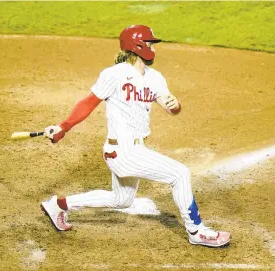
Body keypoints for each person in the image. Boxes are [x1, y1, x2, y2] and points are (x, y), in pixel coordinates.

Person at [41, 25, 231, 247]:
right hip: (122, 151)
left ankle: (58, 205)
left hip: (134, 150)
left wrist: (175, 105)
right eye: (150, 44)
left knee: (121, 200)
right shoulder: (114, 74)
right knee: (179, 173)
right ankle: (196, 231)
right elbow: (88, 103)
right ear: (137, 46)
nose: (154, 49)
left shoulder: (155, 78)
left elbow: (171, 108)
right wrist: (63, 127)